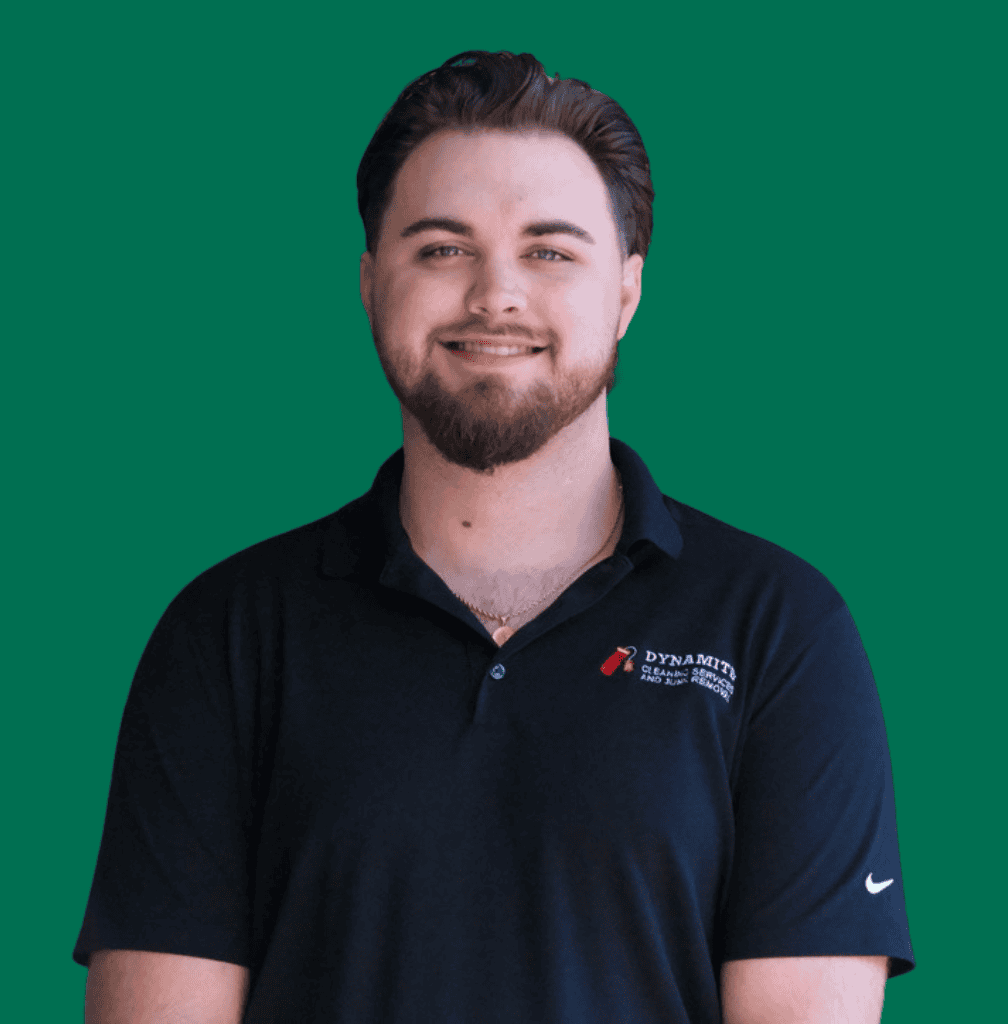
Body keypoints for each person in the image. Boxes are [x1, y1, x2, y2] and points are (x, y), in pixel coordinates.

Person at [75, 51, 915, 1023]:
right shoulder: (225, 635)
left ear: (628, 291)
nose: (493, 295)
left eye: (550, 251)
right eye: (441, 248)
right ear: (368, 282)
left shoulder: (779, 631)